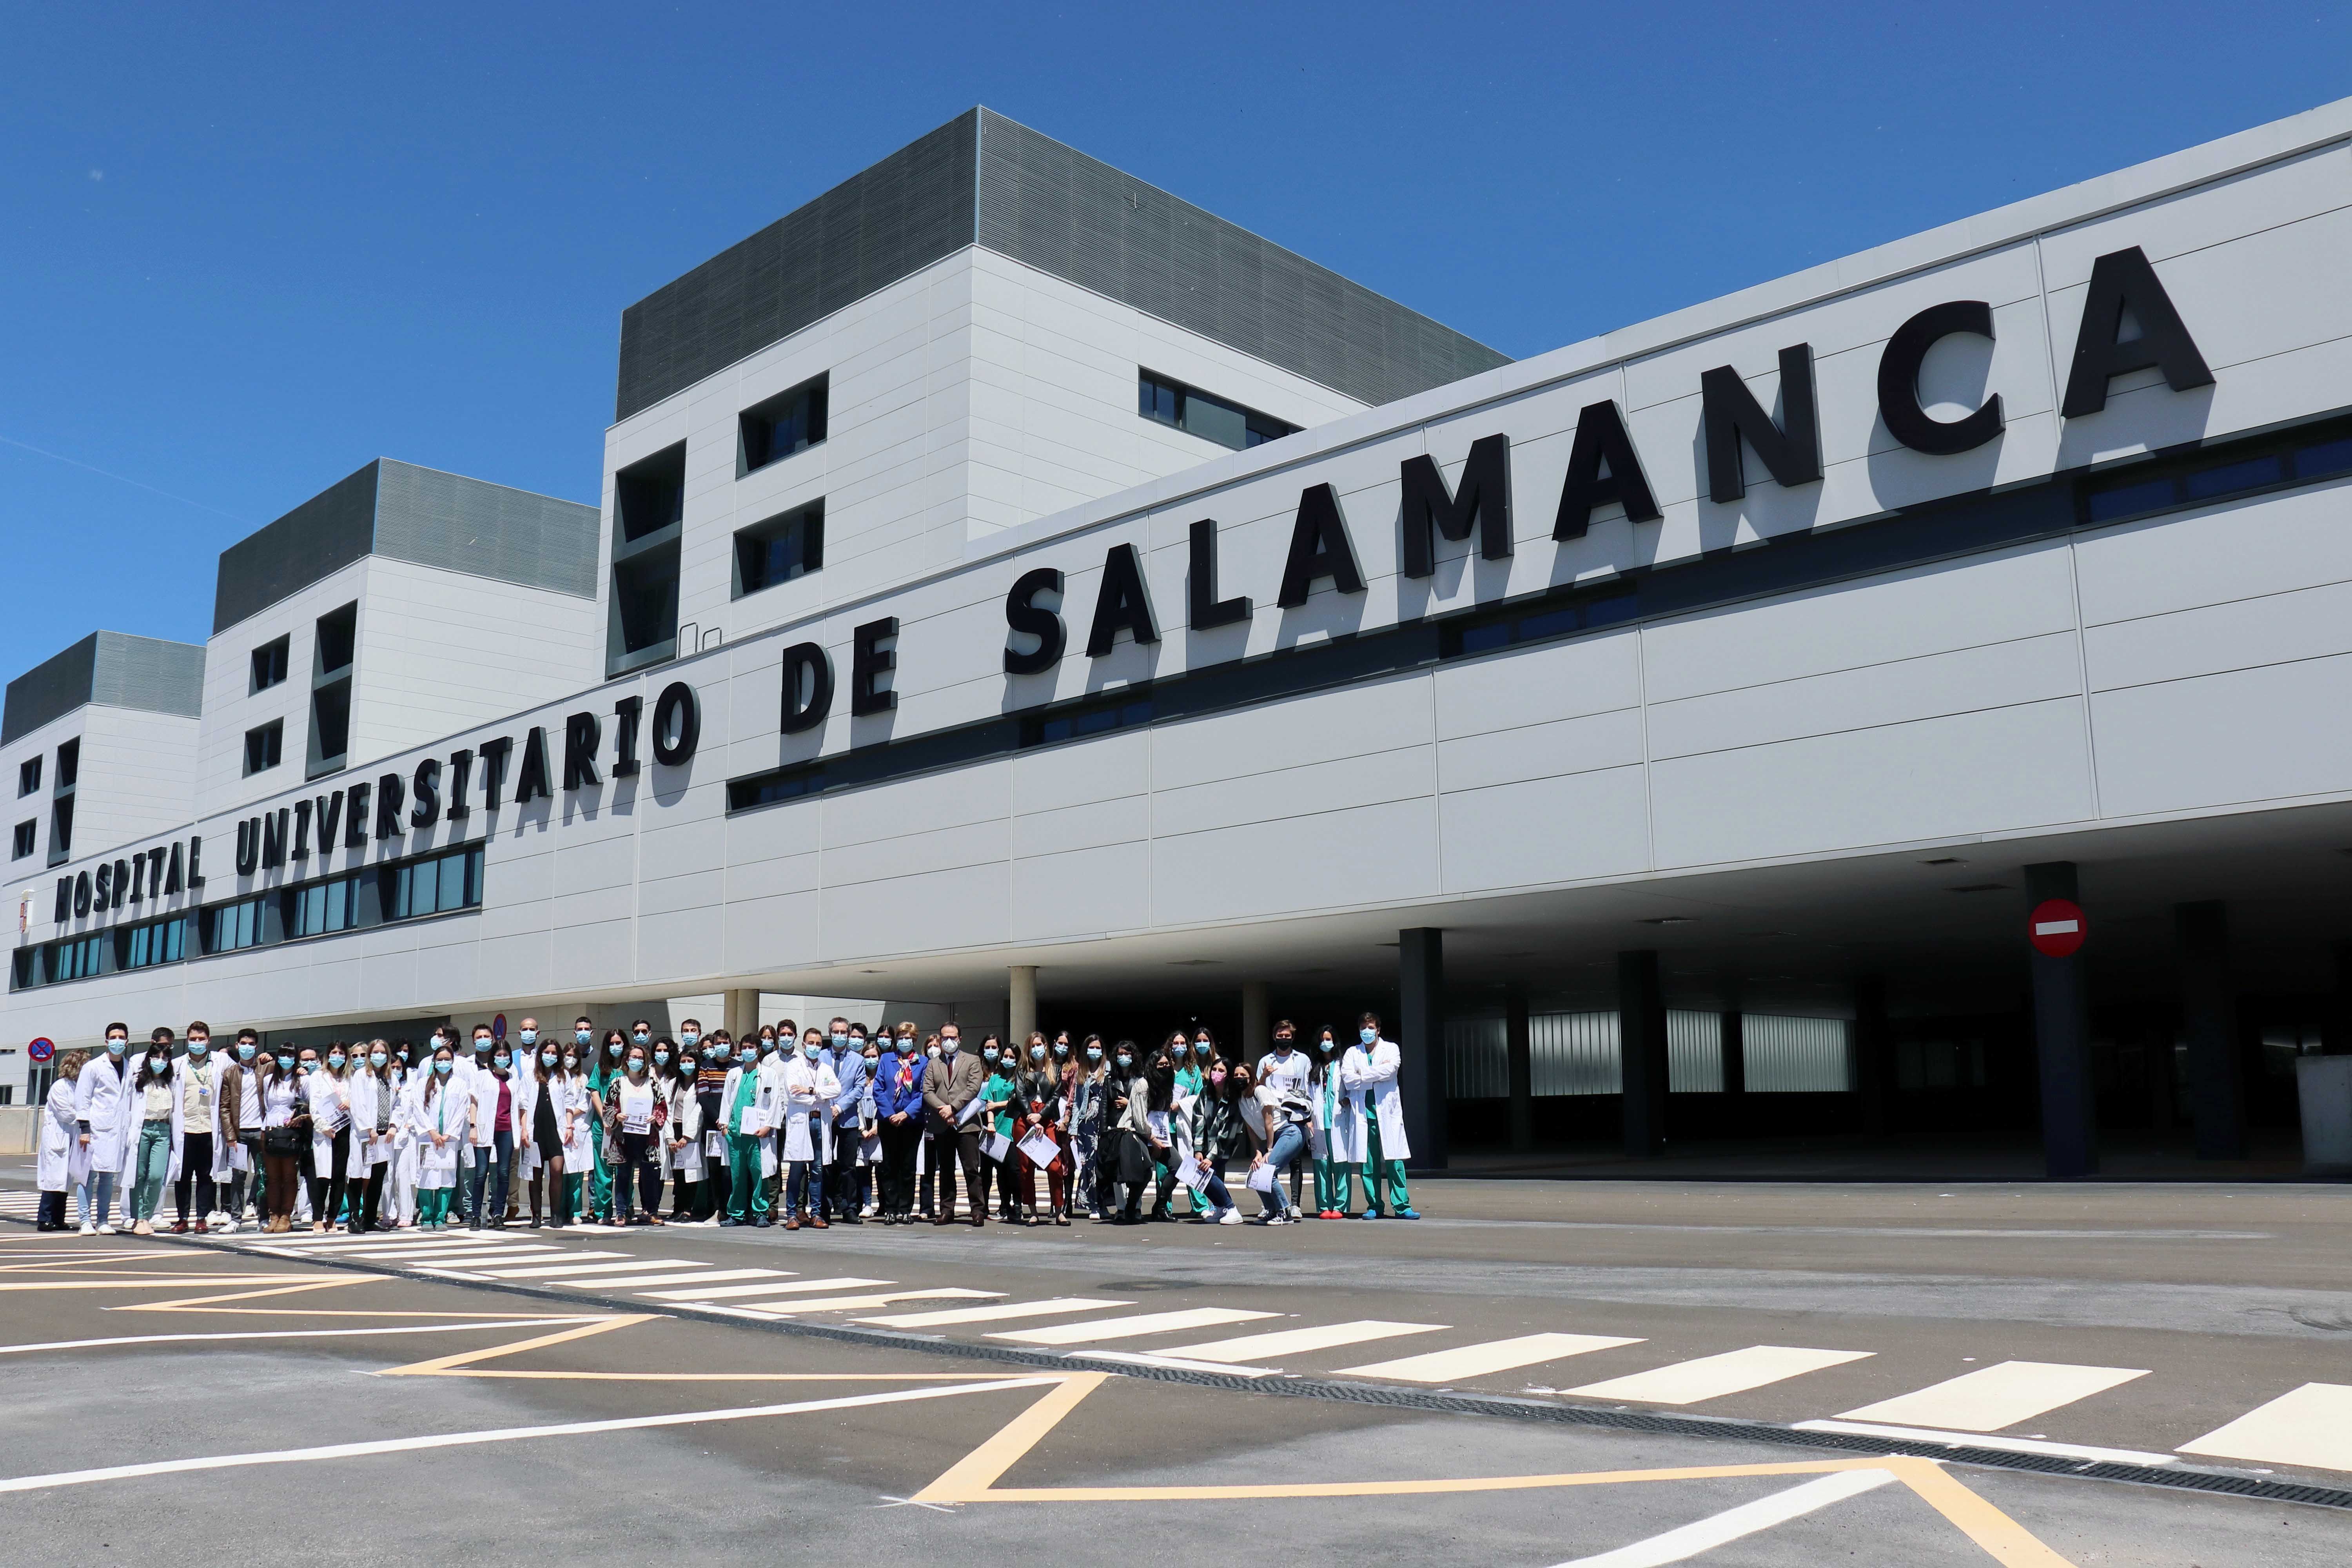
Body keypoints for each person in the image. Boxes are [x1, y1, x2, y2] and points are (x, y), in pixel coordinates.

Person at [1339, 1011, 1418, 1219]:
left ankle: (1402, 1206)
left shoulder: (1391, 1049)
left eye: (1371, 1027)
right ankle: (1374, 1206)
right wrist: (1375, 1074)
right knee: (1368, 1164)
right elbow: (1348, 1079)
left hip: (1387, 1114)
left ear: (1378, 1030)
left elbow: (1391, 1071)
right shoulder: (1351, 1053)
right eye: (1363, 1028)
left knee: (1395, 1161)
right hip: (1364, 1116)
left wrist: (1362, 1074)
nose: (1367, 1032)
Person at [920, 1022, 986, 1227]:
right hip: (942, 1124)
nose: (948, 1042)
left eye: (952, 1037)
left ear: (960, 1038)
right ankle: (947, 1211)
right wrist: (944, 1109)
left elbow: (973, 1088)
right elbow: (928, 1091)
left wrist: (954, 1108)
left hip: (967, 1124)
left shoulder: (973, 1060)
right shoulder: (934, 1063)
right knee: (946, 1170)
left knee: (971, 1169)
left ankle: (977, 1210)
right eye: (944, 1038)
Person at [73, 1022, 135, 1235]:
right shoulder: (93, 1067)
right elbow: (82, 1099)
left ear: (127, 1042)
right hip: (95, 1130)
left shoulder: (130, 1067)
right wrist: (84, 1129)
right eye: (114, 1037)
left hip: (117, 1130)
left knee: (108, 1177)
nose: (118, 1041)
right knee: (88, 1176)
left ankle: (103, 1221)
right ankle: (85, 1221)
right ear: (107, 1041)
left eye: (122, 1038)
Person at [170, 1021, 229, 1233]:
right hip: (185, 1129)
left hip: (208, 1129)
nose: (197, 1043)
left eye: (201, 1039)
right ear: (187, 1041)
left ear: (209, 1041)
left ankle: (202, 1218)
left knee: (206, 1176)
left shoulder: (220, 1061)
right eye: (193, 1039)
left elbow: (242, 1071)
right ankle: (182, 1218)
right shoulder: (177, 1065)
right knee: (183, 1176)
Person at [1253, 1022, 1313, 1223]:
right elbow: (1257, 1090)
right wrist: (1264, 1075)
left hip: (1295, 1115)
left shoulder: (1302, 1060)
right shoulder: (1266, 1061)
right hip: (1273, 1117)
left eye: (1288, 1035)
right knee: (1273, 1162)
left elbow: (1307, 1089)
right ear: (1274, 1036)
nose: (1284, 1038)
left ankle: (1294, 1204)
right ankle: (1271, 1206)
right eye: (1281, 1035)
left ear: (1293, 1037)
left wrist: (1309, 1118)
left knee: (1295, 1162)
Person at [779, 1028, 837, 1230]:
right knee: (796, 1170)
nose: (815, 1047)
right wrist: (820, 1097)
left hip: (820, 1122)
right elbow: (794, 1093)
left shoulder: (826, 1068)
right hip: (801, 1122)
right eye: (811, 1043)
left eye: (819, 1044)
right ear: (803, 1045)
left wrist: (812, 1091)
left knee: (818, 1170)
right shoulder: (793, 1066)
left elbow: (836, 1089)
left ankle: (817, 1214)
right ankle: (792, 1215)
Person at [124, 1032, 180, 1236]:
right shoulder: (138, 1082)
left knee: (157, 1176)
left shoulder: (171, 1082)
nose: (160, 1061)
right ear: (149, 1059)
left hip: (163, 1131)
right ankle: (139, 1218)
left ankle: (147, 1215)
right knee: (138, 1175)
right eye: (156, 1058)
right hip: (142, 1130)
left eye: (165, 1058)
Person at [604, 1039, 665, 1226]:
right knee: (623, 1174)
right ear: (627, 1060)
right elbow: (607, 1107)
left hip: (647, 1136)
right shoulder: (618, 1082)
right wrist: (617, 1115)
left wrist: (656, 1116)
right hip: (624, 1136)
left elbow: (662, 1105)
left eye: (640, 1058)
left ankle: (650, 1211)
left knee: (649, 1175)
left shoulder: (652, 1083)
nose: (637, 1061)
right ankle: (622, 1212)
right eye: (633, 1057)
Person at [718, 1031, 772, 1227]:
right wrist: (724, 1126)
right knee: (737, 1175)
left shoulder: (768, 1074)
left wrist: (768, 1127)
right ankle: (737, 1214)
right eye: (745, 1048)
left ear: (758, 1050)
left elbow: (774, 1103)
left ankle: (760, 1213)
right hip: (735, 1132)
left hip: (757, 1134)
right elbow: (727, 1101)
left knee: (759, 1173)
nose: (748, 1051)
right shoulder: (734, 1074)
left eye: (751, 1048)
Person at [871, 1027, 924, 1223]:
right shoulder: (886, 1060)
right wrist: (891, 1114)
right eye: (901, 1037)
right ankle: (891, 1208)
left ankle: (905, 1209)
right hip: (888, 1121)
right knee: (890, 1166)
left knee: (908, 1166)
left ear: (915, 1040)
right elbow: (878, 1089)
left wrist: (906, 1113)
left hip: (911, 1122)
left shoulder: (923, 1062)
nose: (904, 1041)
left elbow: (922, 1093)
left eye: (908, 1038)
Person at [412, 1045, 467, 1229]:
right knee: (426, 1177)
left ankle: (440, 1217)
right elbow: (418, 1109)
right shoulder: (423, 1083)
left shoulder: (460, 1084)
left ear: (453, 1062)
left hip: (448, 1140)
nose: (444, 1063)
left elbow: (461, 1111)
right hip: (428, 1139)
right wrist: (432, 1132)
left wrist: (448, 1134)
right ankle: (427, 1217)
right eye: (440, 1060)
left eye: (447, 1060)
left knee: (446, 1178)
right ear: (434, 1062)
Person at [257, 1044, 309, 1233]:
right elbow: (265, 1106)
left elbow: (309, 1105)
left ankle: (286, 1216)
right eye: (283, 1055)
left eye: (290, 1055)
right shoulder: (269, 1079)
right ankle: (274, 1215)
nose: (286, 1058)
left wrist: (300, 1118)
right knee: (272, 1178)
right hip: (270, 1131)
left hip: (290, 1134)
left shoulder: (302, 1080)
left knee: (289, 1176)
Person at [1017, 1034, 1067, 1225]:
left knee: (1055, 1166)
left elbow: (1056, 1097)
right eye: (1033, 1046)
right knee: (1026, 1168)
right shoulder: (1022, 1070)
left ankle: (1059, 1210)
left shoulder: (1055, 1069)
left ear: (1046, 1046)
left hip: (1046, 1119)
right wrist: (1032, 1117)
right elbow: (1021, 1095)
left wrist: (1041, 1116)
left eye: (1039, 1045)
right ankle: (1033, 1211)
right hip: (1025, 1119)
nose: (1036, 1049)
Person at [823, 1018, 869, 1223]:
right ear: (830, 1033)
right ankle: (823, 1207)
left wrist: (839, 1107)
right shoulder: (822, 1056)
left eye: (844, 1032)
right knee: (823, 1163)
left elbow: (859, 1089)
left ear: (849, 1035)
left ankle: (849, 1208)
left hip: (848, 1119)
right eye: (836, 1031)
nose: (840, 1035)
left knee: (848, 1166)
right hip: (824, 1117)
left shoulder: (857, 1060)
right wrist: (829, 1106)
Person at [349, 1040, 398, 1233]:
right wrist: (369, 1128)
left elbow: (398, 1105)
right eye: (375, 1052)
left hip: (384, 1136)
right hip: (365, 1134)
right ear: (369, 1055)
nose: (379, 1056)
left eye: (383, 1052)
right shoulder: (361, 1076)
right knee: (358, 1174)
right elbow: (357, 1103)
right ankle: (355, 1219)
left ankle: (370, 1218)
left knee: (378, 1176)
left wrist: (394, 1125)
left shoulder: (391, 1077)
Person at [37, 1051, 89, 1231]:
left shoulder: (78, 1087)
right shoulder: (60, 1086)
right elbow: (66, 1114)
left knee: (65, 1182)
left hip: (71, 1140)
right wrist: (85, 1116)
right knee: (53, 1180)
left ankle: (59, 1219)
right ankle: (45, 1219)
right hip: (57, 1139)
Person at [307, 1042, 356, 1232]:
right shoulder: (318, 1076)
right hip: (325, 1131)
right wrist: (323, 1127)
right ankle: (317, 1217)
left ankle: (332, 1217)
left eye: (341, 1053)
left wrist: (351, 1102)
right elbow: (315, 1103)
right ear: (328, 1055)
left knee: (338, 1176)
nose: (337, 1056)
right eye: (334, 1053)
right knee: (322, 1176)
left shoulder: (350, 1078)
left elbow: (358, 1100)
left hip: (345, 1128)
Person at [219, 1031, 264, 1231]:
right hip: (239, 1134)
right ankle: (236, 1219)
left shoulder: (266, 1068)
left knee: (264, 1175)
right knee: (237, 1176)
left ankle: (264, 1218)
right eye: (244, 1043)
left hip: (261, 1132)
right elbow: (225, 1106)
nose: (248, 1047)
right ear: (237, 1046)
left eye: (252, 1044)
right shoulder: (230, 1073)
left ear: (257, 1047)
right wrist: (230, 1136)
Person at [976, 1036, 1020, 1221]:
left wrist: (997, 1105)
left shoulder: (1020, 1078)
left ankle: (1016, 1205)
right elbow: (988, 1103)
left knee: (1012, 1170)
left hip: (1012, 1128)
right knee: (993, 1172)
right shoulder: (994, 1079)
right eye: (1006, 1056)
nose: (1008, 1060)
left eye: (1013, 1057)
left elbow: (1017, 1100)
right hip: (995, 1129)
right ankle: (1001, 1207)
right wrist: (991, 1123)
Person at [1067, 1035, 1109, 1221]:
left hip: (1103, 1123)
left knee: (1104, 1166)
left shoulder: (1107, 1071)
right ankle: (1092, 1205)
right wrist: (1073, 1129)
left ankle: (1104, 1204)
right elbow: (1076, 1102)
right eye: (1091, 1047)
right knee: (1087, 1167)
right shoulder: (1081, 1072)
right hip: (1086, 1125)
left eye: (1098, 1047)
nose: (1095, 1051)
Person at [663, 1039, 704, 1223]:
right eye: (683, 1062)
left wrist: (688, 1136)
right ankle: (678, 1207)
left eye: (690, 1062)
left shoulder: (700, 1084)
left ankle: (688, 1209)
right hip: (675, 1130)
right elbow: (665, 1110)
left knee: (691, 1172)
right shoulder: (673, 1084)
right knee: (678, 1173)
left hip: (691, 1134)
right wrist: (670, 1137)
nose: (686, 1065)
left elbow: (699, 1110)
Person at [691, 1032, 731, 1223]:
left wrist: (728, 1120)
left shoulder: (737, 1067)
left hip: (733, 1128)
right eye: (719, 1043)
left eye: (726, 1043)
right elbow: (703, 1097)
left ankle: (733, 1208)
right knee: (715, 1170)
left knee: (731, 1171)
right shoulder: (706, 1066)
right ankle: (718, 1209)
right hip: (713, 1128)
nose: (722, 1046)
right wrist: (719, 1119)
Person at [1310, 1025, 1350, 1218]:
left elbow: (1352, 1087)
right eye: (1322, 1040)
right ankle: (1324, 1206)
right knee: (1321, 1165)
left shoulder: (1343, 1064)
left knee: (1341, 1164)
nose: (1325, 1043)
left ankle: (1340, 1206)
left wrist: (1348, 1098)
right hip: (1318, 1122)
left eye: (1329, 1039)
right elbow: (1308, 1095)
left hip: (1338, 1120)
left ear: (1335, 1042)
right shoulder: (1313, 1067)